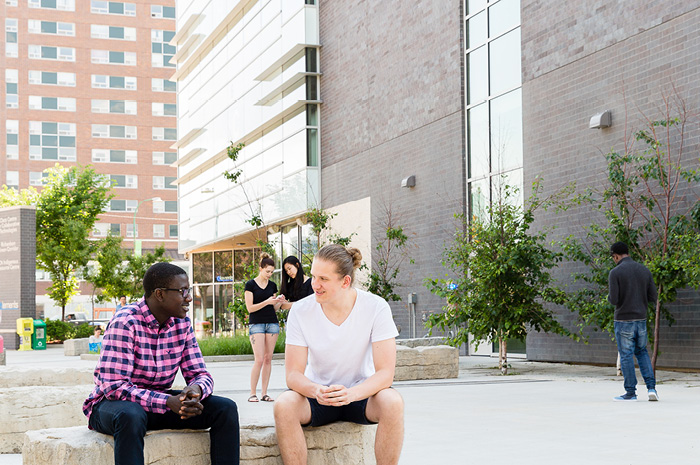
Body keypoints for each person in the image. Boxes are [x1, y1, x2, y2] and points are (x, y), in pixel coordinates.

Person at [83, 262, 240, 465]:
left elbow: (200, 373)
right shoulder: (126, 322)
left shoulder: (182, 323)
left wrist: (196, 390)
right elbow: (115, 388)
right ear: (160, 294)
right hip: (112, 406)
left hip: (158, 405)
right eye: (183, 291)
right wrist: (166, 401)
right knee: (131, 415)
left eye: (188, 290)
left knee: (225, 409)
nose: (189, 297)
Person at [274, 244, 404, 465]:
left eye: (323, 279)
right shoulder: (300, 311)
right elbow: (293, 375)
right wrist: (317, 391)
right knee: (283, 405)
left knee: (393, 402)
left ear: (345, 281)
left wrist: (352, 394)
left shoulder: (376, 307)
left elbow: (385, 374)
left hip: (361, 394)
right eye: (313, 276)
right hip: (317, 396)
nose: (315, 285)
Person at [608, 241, 659, 402]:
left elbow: (614, 299)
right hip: (641, 319)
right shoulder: (644, 270)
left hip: (623, 320)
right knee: (642, 352)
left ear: (615, 255)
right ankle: (652, 388)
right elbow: (653, 297)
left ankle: (631, 392)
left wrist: (610, 296)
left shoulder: (615, 273)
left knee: (626, 355)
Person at [245, 252, 282, 403]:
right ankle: (252, 393)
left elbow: (275, 309)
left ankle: (264, 393)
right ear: (260, 268)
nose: (269, 274)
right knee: (259, 359)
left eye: (272, 272)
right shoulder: (250, 285)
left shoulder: (272, 285)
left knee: (268, 359)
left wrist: (279, 302)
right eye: (267, 271)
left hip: (272, 323)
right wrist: (267, 301)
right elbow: (250, 308)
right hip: (257, 324)